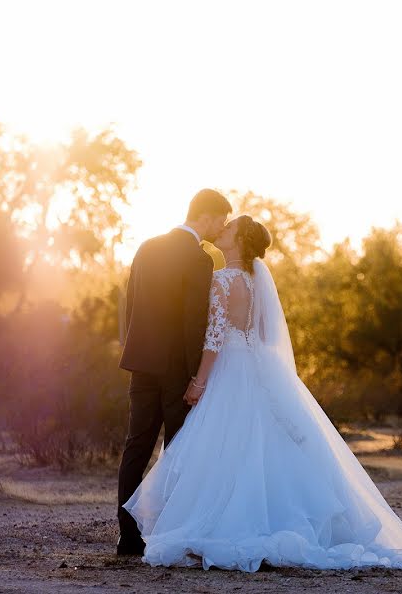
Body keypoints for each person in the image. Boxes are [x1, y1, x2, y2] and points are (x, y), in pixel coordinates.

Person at [123, 215, 402, 572]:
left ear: (239, 241)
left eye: (229, 229)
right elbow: (259, 333)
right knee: (261, 444)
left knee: (229, 447)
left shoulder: (223, 280)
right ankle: (276, 517)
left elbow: (214, 337)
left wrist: (199, 381)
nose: (221, 231)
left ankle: (227, 524)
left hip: (228, 369)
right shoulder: (255, 281)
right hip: (255, 365)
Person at [116, 188, 232, 556]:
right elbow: (193, 322)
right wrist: (194, 375)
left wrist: (132, 350)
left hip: (142, 363)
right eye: (221, 220)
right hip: (175, 369)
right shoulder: (199, 260)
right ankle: (170, 534)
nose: (222, 227)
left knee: (136, 445)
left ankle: (128, 538)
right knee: (178, 450)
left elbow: (130, 303)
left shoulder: (147, 246)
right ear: (206, 216)